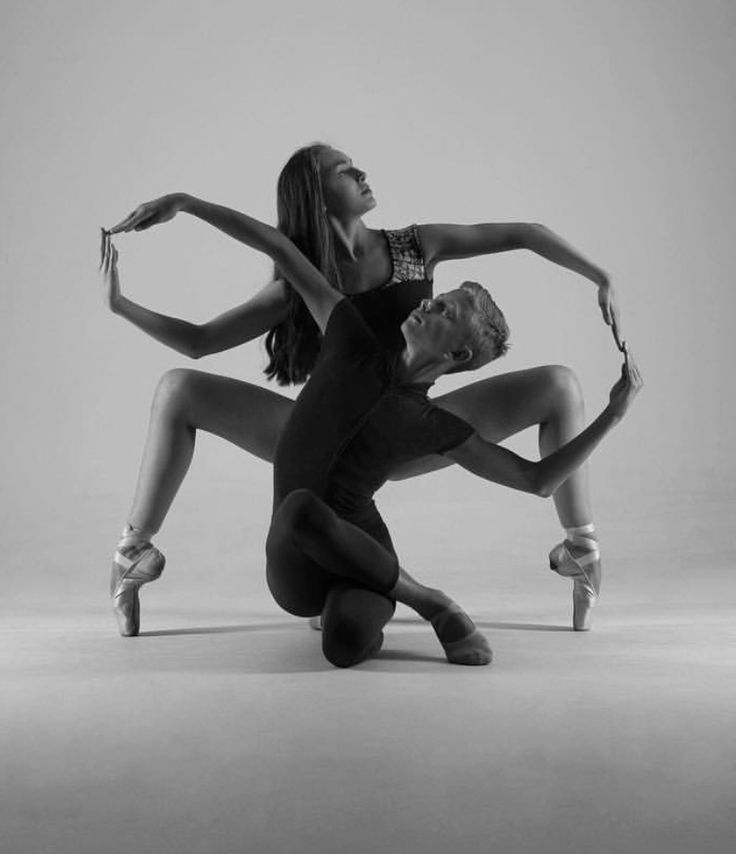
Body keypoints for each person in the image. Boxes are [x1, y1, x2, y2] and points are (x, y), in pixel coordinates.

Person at [102, 143, 625, 633]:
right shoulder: (301, 283)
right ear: (316, 194)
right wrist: (123, 304)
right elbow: (200, 341)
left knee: (559, 385)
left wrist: (598, 275)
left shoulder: (417, 246)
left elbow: (526, 233)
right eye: (343, 171)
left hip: (406, 432)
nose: (361, 173)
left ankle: (581, 547)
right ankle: (133, 551)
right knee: (178, 389)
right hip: (331, 433)